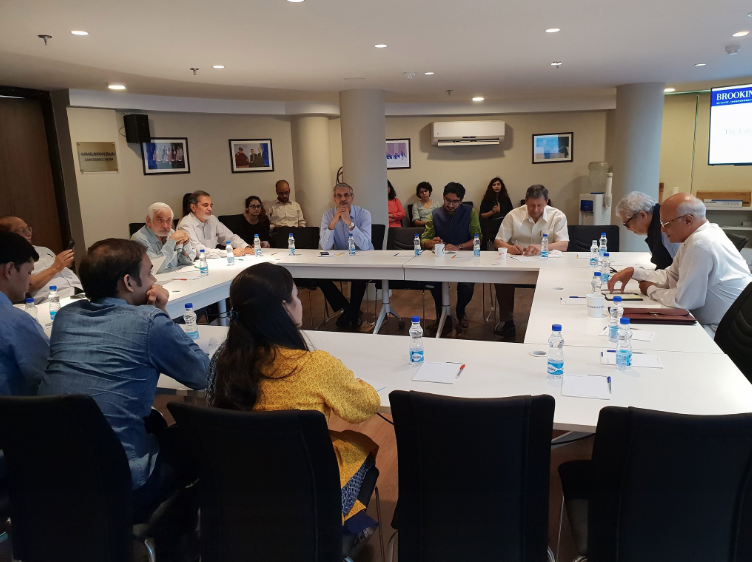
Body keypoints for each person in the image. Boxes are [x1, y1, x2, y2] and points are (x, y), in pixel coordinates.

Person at [38, 239, 209, 558]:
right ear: (129, 282)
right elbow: (202, 375)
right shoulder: (148, 322)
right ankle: (175, 544)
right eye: (150, 272)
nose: (155, 280)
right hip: (118, 481)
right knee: (200, 440)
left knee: (154, 421)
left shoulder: (66, 316)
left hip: (51, 476)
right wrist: (160, 313)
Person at [206, 263, 379, 531]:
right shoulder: (316, 366)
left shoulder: (224, 361)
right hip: (309, 492)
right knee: (360, 446)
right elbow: (366, 407)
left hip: (242, 486)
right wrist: (357, 383)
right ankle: (344, 522)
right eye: (296, 296)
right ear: (284, 307)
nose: (300, 303)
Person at [607, 193, 752, 334]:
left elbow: (683, 301)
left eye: (666, 224)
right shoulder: (697, 236)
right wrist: (635, 272)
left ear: (688, 220)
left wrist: (650, 289)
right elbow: (671, 275)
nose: (662, 229)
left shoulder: (700, 244)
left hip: (720, 330)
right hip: (713, 321)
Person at [493, 185, 569, 339]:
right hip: (518, 262)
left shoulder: (557, 216)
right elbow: (498, 241)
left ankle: (546, 321)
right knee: (501, 278)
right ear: (525, 201)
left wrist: (542, 247)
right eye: (532, 205)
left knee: (554, 283)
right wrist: (510, 248)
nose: (535, 209)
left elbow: (563, 245)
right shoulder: (513, 215)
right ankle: (507, 322)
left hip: (547, 264)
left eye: (540, 205)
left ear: (546, 202)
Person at [421, 182, 482, 335]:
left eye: (455, 201)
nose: (450, 205)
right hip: (441, 259)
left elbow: (477, 239)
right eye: (448, 200)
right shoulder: (435, 214)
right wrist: (432, 243)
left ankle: (461, 311)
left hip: (465, 256)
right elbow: (424, 240)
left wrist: (459, 246)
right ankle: (442, 316)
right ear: (443, 197)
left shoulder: (470, 212)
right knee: (435, 284)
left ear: (461, 200)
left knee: (466, 285)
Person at [318, 183, 374, 330]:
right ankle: (352, 312)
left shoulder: (364, 214)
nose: (343, 199)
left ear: (352, 197)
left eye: (346, 195)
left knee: (360, 275)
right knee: (318, 275)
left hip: (363, 259)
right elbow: (325, 247)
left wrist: (350, 223)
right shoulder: (328, 215)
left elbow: (365, 246)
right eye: (339, 196)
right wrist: (333, 223)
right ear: (334, 199)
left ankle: (350, 313)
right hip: (341, 260)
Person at [0, 232, 49, 396]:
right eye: (29, 273)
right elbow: (50, 376)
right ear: (9, 269)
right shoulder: (15, 322)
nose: (30, 281)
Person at [0, 215, 82, 303]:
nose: (29, 233)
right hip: (56, 298)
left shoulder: (44, 250)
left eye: (28, 229)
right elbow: (25, 286)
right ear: (8, 235)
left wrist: (65, 264)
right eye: (22, 230)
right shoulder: (11, 257)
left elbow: (59, 268)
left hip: (80, 290)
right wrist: (55, 268)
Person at [616, 191, 680, 270]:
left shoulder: (666, 228)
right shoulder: (657, 220)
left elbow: (681, 268)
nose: (628, 228)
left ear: (642, 215)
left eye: (627, 224)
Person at [177, 190, 251, 258]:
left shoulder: (212, 219)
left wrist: (245, 247)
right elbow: (197, 250)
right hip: (195, 263)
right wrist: (228, 253)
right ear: (193, 207)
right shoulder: (185, 224)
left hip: (213, 260)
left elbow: (228, 237)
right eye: (205, 205)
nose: (210, 209)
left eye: (211, 205)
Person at [131, 202, 195, 274]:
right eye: (160, 220)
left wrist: (185, 243)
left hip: (175, 276)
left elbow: (189, 260)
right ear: (149, 221)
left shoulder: (171, 232)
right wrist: (171, 242)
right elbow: (154, 268)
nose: (165, 225)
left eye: (168, 220)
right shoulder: (139, 239)